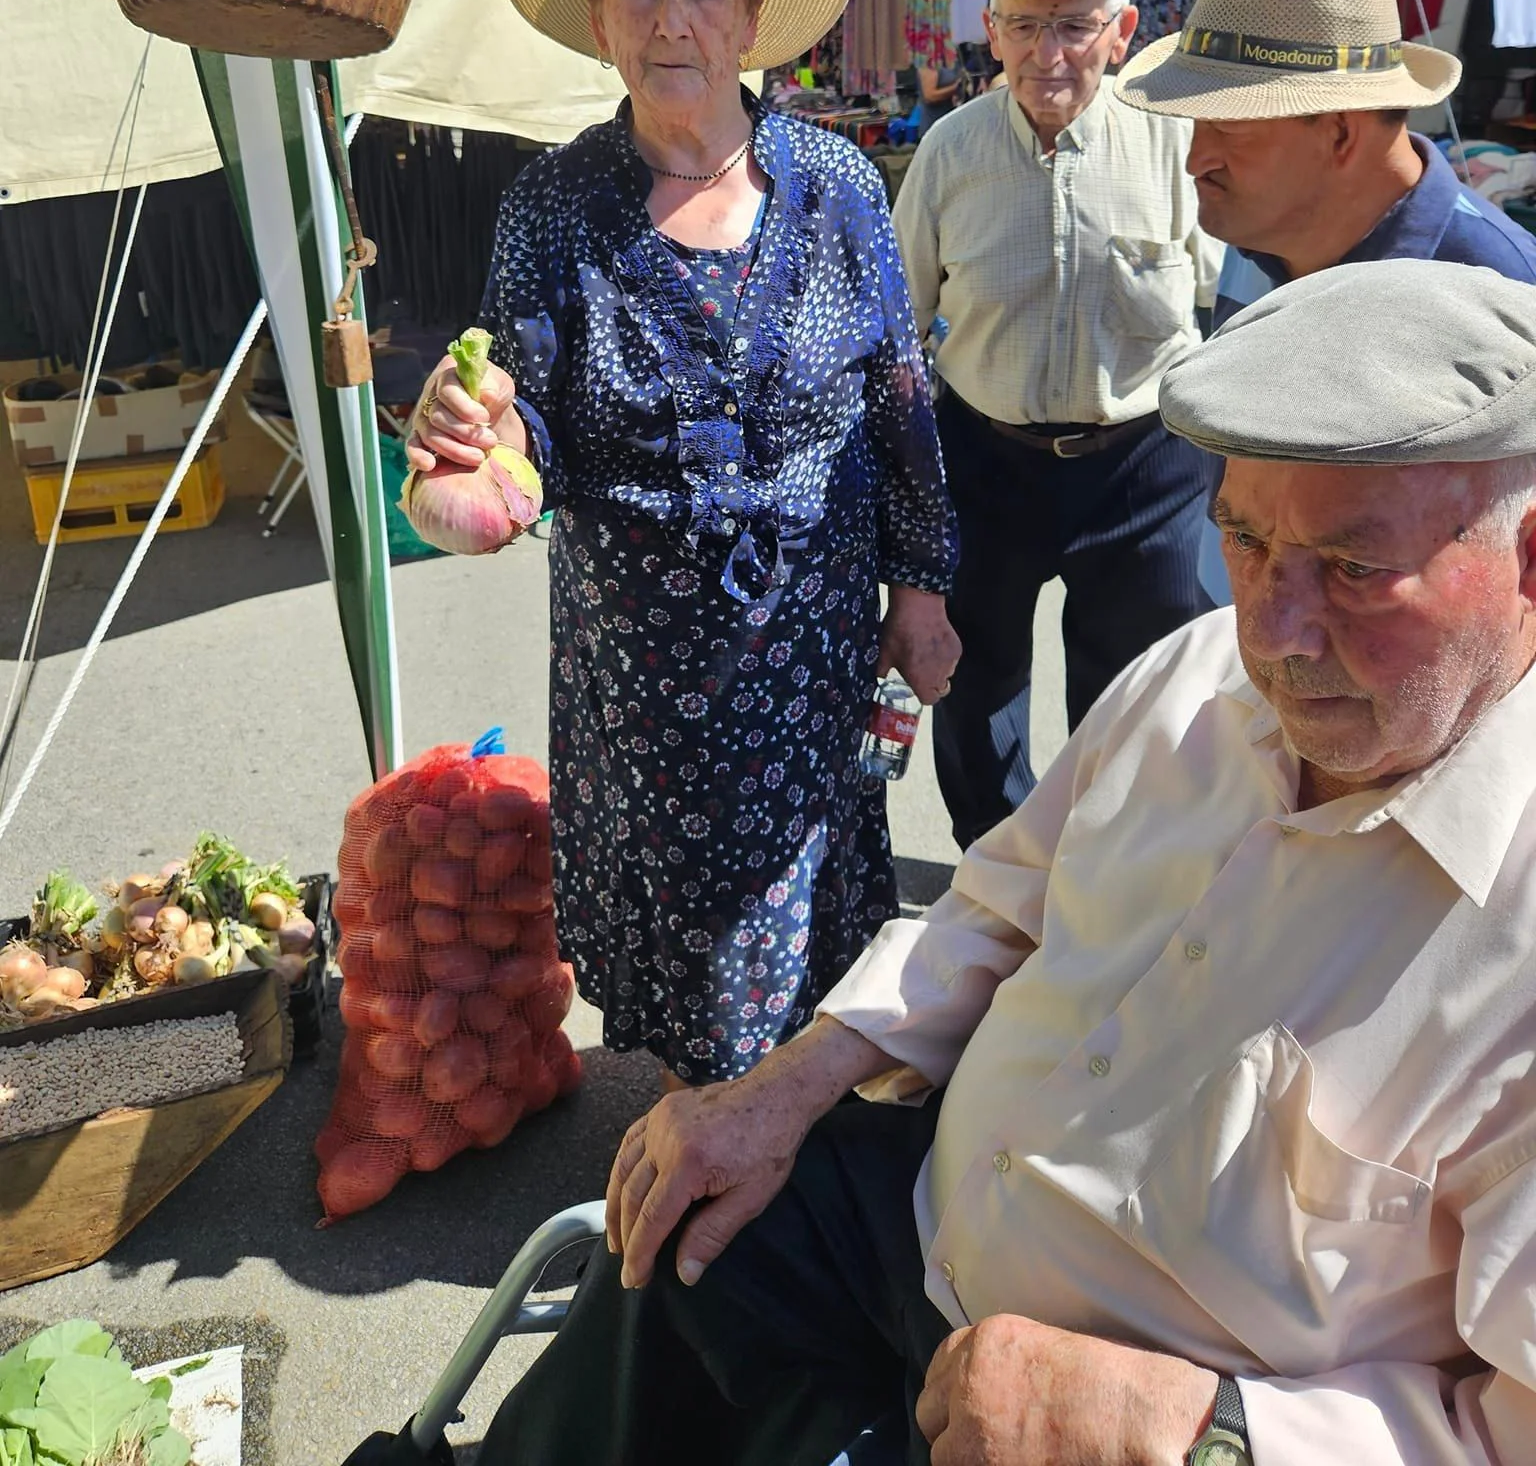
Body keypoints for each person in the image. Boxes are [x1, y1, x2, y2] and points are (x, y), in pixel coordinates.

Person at [480, 257, 1536, 1466]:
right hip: (915, 1226)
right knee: (679, 1236)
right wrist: (793, 1080)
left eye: (1354, 569)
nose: (1274, 632)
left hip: (1123, 1435)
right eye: (1243, 540)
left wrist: (1201, 1429)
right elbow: (994, 904)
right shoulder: (1193, 673)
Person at [406, 0, 959, 1087]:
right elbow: (525, 427)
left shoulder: (840, 186)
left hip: (815, 649)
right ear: (599, 19)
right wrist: (473, 431)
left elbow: (900, 401)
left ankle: (793, 1143)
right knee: (697, 950)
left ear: (754, 21)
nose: (675, 19)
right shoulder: (552, 204)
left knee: (818, 903)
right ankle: (710, 1155)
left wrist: (921, 590)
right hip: (647, 668)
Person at [893, 0, 1222, 847]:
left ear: (1120, 34)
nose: (1048, 56)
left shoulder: (1176, 144)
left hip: (1145, 465)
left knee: (1137, 691)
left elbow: (1228, 315)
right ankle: (999, 873)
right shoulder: (950, 154)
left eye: (1074, 27)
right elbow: (897, 333)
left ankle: (1106, 877)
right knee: (973, 680)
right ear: (991, 31)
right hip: (985, 458)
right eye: (1024, 27)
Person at [1118, 0, 1536, 599]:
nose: (1197, 159)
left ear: (1341, 130)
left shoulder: (1502, 293)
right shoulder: (1260, 235)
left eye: (1229, 125)